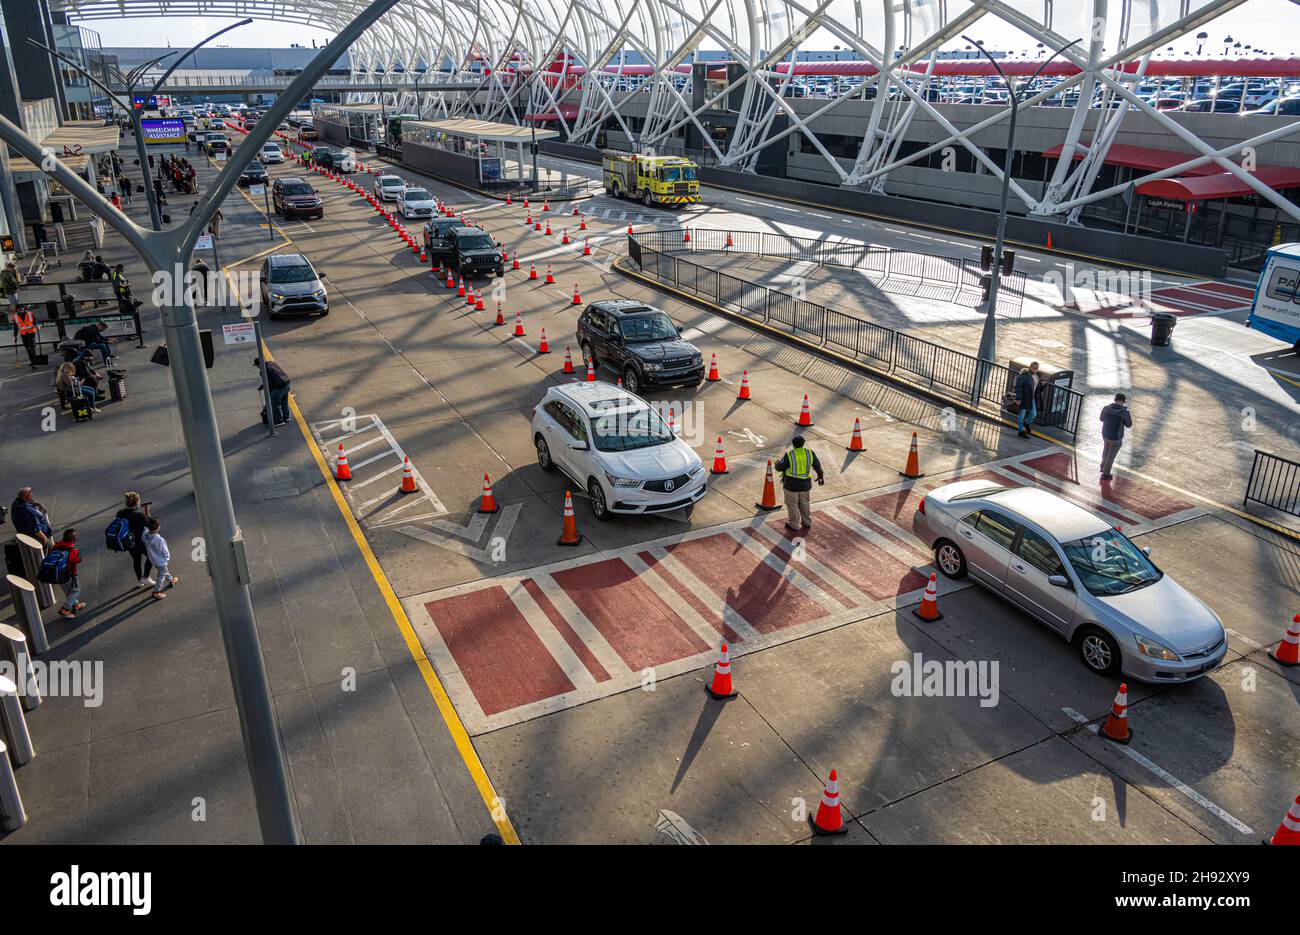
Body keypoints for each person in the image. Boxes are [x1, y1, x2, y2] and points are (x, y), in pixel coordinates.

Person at [774, 435, 825, 531]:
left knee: (792, 504)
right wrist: (820, 477)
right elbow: (818, 466)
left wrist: (777, 463)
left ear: (793, 445)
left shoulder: (790, 455)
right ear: (803, 444)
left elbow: (779, 467)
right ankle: (807, 522)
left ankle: (794, 524)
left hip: (791, 485)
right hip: (805, 485)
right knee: (804, 503)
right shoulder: (809, 453)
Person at [116, 492, 154, 587]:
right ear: (137, 502)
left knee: (136, 560)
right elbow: (150, 525)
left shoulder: (120, 513)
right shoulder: (139, 515)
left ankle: (140, 580)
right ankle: (146, 577)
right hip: (141, 542)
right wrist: (147, 511)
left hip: (129, 542)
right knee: (152, 556)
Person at [51, 528, 86, 619]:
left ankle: (75, 605)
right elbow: (76, 560)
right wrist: (79, 558)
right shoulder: (72, 550)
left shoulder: (57, 545)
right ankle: (65, 609)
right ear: (73, 539)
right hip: (69, 574)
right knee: (76, 590)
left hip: (57, 574)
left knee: (68, 591)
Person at [1099, 393, 1133, 482]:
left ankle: (1102, 467)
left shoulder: (1106, 408)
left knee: (1105, 450)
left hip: (1105, 434)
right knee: (1111, 456)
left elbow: (1101, 419)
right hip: (1116, 438)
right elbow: (1129, 424)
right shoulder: (1125, 413)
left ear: (1115, 400)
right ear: (1123, 402)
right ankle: (1106, 474)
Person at [143, 517, 178, 599]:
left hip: (153, 559)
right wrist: (167, 558)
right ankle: (156, 592)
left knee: (164, 571)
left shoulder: (145, 536)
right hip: (161, 561)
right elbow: (164, 551)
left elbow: (145, 530)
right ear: (158, 528)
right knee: (161, 576)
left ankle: (171, 580)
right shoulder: (159, 540)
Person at [255, 357, 292, 425]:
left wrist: (267, 392)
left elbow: (268, 383)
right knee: (284, 401)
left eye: (257, 365)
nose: (257, 367)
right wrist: (262, 387)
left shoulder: (264, 370)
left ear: (259, 364)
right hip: (287, 383)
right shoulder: (271, 363)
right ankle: (286, 417)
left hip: (279, 387)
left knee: (274, 404)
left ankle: (278, 421)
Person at [1014, 361, 1039, 438]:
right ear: (1030, 366)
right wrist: (1018, 398)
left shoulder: (1037, 376)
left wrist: (1042, 384)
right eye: (1033, 368)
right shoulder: (1024, 374)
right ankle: (1021, 431)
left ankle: (1026, 422)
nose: (1034, 370)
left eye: (1036, 368)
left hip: (1031, 398)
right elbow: (1018, 386)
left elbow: (1035, 387)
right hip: (1023, 398)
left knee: (1033, 414)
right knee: (1021, 415)